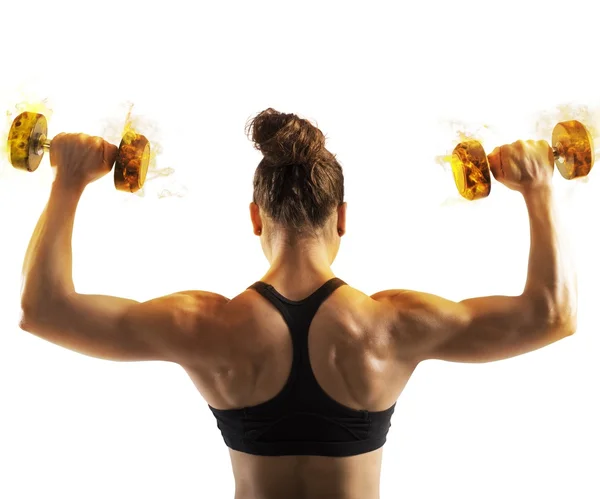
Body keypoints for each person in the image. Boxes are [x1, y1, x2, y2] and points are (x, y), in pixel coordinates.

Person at [18, 108, 577, 499]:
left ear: (256, 217)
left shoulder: (203, 326)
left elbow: (42, 309)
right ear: (341, 218)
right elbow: (551, 315)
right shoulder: (393, 327)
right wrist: (540, 190)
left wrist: (68, 182)